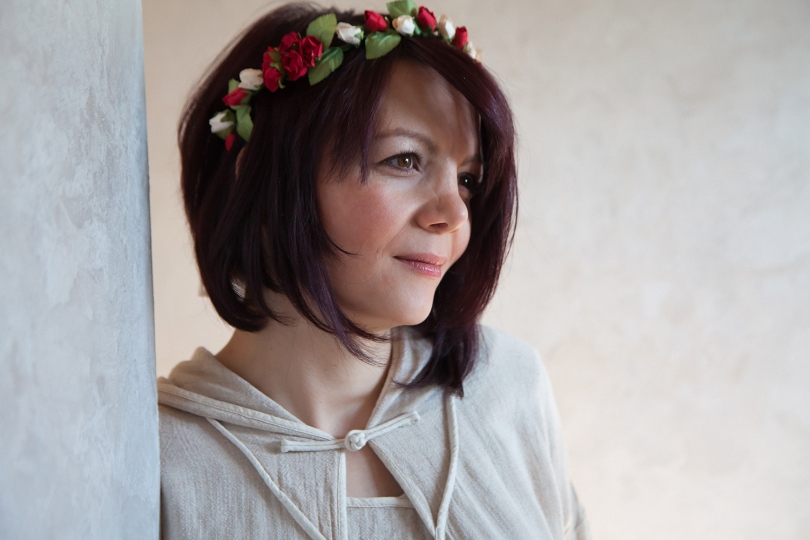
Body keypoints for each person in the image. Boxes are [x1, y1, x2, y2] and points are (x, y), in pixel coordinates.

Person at [157, 2, 590, 538]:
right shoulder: (154, 459)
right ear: (263, 181)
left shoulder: (508, 385)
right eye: (404, 160)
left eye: (467, 180)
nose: (454, 214)